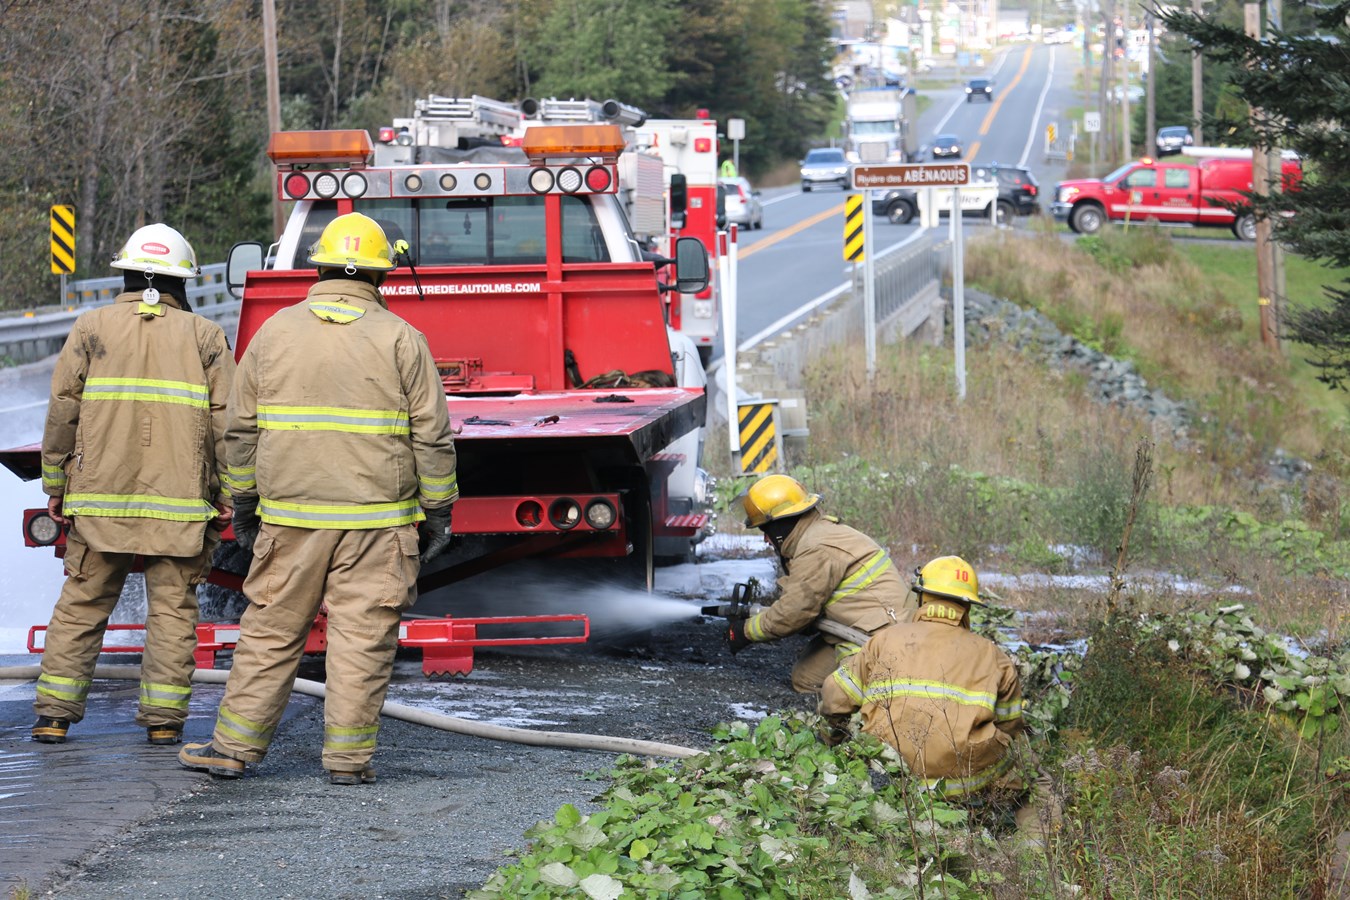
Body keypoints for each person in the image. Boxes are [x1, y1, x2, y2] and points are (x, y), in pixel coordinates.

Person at [179, 212, 458, 786]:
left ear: (320, 268)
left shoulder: (274, 332)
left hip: (290, 521)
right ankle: (349, 762)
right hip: (378, 524)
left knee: (269, 633)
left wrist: (245, 502)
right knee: (363, 640)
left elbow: (240, 431)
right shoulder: (402, 338)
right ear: (380, 275)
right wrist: (438, 512)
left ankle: (232, 749)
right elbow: (432, 437)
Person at [32, 223, 235, 746]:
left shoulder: (91, 327)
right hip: (181, 505)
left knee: (82, 604)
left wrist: (55, 485)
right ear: (181, 281)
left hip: (99, 503)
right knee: (173, 611)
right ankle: (164, 723)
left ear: (125, 274)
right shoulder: (205, 336)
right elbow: (227, 425)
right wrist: (231, 493)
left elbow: (62, 412)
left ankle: (54, 716)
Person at [818, 556, 1034, 817]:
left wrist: (833, 740)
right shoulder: (995, 657)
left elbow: (834, 699)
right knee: (1026, 766)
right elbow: (1011, 728)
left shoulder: (884, 640)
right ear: (967, 606)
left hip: (886, 778)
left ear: (921, 597)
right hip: (965, 790)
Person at [727, 474, 913, 693]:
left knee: (842, 693)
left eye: (766, 531)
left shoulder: (816, 547)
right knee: (806, 678)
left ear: (781, 525)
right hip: (855, 626)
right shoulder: (813, 536)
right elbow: (803, 605)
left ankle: (884, 693)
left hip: (883, 635)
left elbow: (792, 613)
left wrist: (745, 632)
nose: (765, 539)